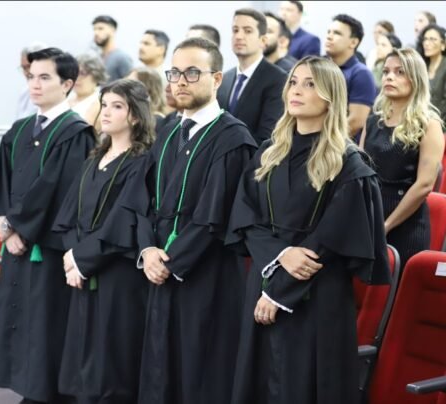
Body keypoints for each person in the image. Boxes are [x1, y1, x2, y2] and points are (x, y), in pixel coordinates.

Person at [227, 56, 391, 404]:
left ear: (331, 97)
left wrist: (278, 293)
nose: (296, 90)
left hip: (315, 294)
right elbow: (245, 218)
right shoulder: (268, 154)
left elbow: (331, 239)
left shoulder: (348, 164)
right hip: (265, 278)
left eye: (310, 84)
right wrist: (280, 255)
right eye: (293, 82)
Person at [125, 37, 257, 404]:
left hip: (207, 276)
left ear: (217, 79)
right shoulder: (168, 132)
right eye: (175, 73)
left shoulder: (233, 139)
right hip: (160, 268)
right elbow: (141, 200)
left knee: (199, 371)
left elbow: (215, 216)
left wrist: (171, 261)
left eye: (193, 73)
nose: (181, 81)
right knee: (159, 366)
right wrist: (148, 250)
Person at [0, 47, 96, 404]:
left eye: (45, 77)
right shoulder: (19, 130)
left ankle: (46, 393)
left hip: (46, 246)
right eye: (31, 76)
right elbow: (2, 181)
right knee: (19, 317)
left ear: (67, 84)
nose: (35, 84)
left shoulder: (76, 133)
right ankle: (27, 388)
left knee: (45, 322)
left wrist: (18, 227)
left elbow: (58, 188)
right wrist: (5, 225)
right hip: (17, 243)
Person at [53, 79, 154, 404]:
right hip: (82, 270)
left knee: (112, 360)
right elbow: (69, 213)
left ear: (135, 115)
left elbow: (124, 220)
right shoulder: (94, 159)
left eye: (117, 106)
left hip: (117, 275)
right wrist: (72, 256)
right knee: (83, 357)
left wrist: (82, 259)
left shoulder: (142, 162)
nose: (106, 112)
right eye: (105, 104)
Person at [361, 48, 444, 268]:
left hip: (405, 224)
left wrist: (386, 225)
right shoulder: (373, 120)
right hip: (368, 215)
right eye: (386, 71)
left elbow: (424, 185)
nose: (389, 77)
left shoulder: (429, 124)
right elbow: (359, 170)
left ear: (415, 78)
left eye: (400, 72)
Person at [218, 8, 286, 145]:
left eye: (247, 31)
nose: (239, 36)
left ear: (263, 40)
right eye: (235, 30)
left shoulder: (278, 79)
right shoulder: (225, 78)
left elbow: (268, 136)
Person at [325, 14, 377, 140]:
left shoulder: (361, 74)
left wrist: (324, 141)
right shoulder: (319, 68)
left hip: (339, 144)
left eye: (337, 33)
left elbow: (356, 122)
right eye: (329, 32)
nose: (329, 36)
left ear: (353, 42)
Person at [68, 53, 107, 128]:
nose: (77, 78)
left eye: (82, 73)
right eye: (74, 73)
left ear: (96, 75)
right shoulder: (67, 97)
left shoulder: (100, 103)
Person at [92, 15, 133, 82]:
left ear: (112, 30)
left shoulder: (122, 58)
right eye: (94, 29)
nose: (96, 33)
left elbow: (132, 84)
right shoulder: (96, 58)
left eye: (100, 29)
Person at [419, 24, 446, 123]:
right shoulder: (422, 67)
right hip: (421, 121)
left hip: (440, 124)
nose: (427, 43)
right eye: (425, 39)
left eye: (432, 39)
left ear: (443, 45)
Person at [16, 41, 47, 119]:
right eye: (24, 68)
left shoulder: (52, 92)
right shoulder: (25, 92)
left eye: (29, 66)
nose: (27, 72)